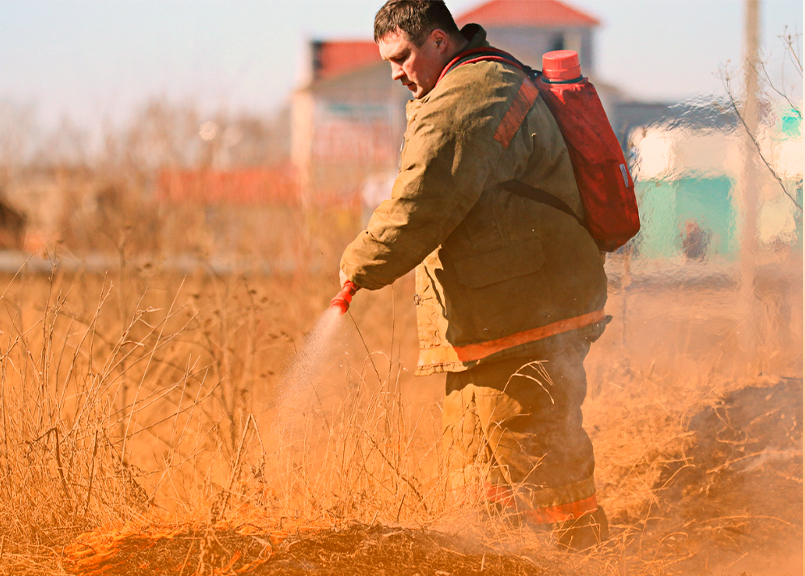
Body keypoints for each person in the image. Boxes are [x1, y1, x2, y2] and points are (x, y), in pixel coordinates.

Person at [338, 0, 609, 549]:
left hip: (527, 316)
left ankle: (588, 559)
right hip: (493, 322)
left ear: (439, 41)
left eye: (402, 57)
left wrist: (358, 265)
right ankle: (506, 559)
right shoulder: (466, 85)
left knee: (536, 457)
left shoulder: (469, 95)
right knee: (479, 467)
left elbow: (422, 199)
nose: (395, 72)